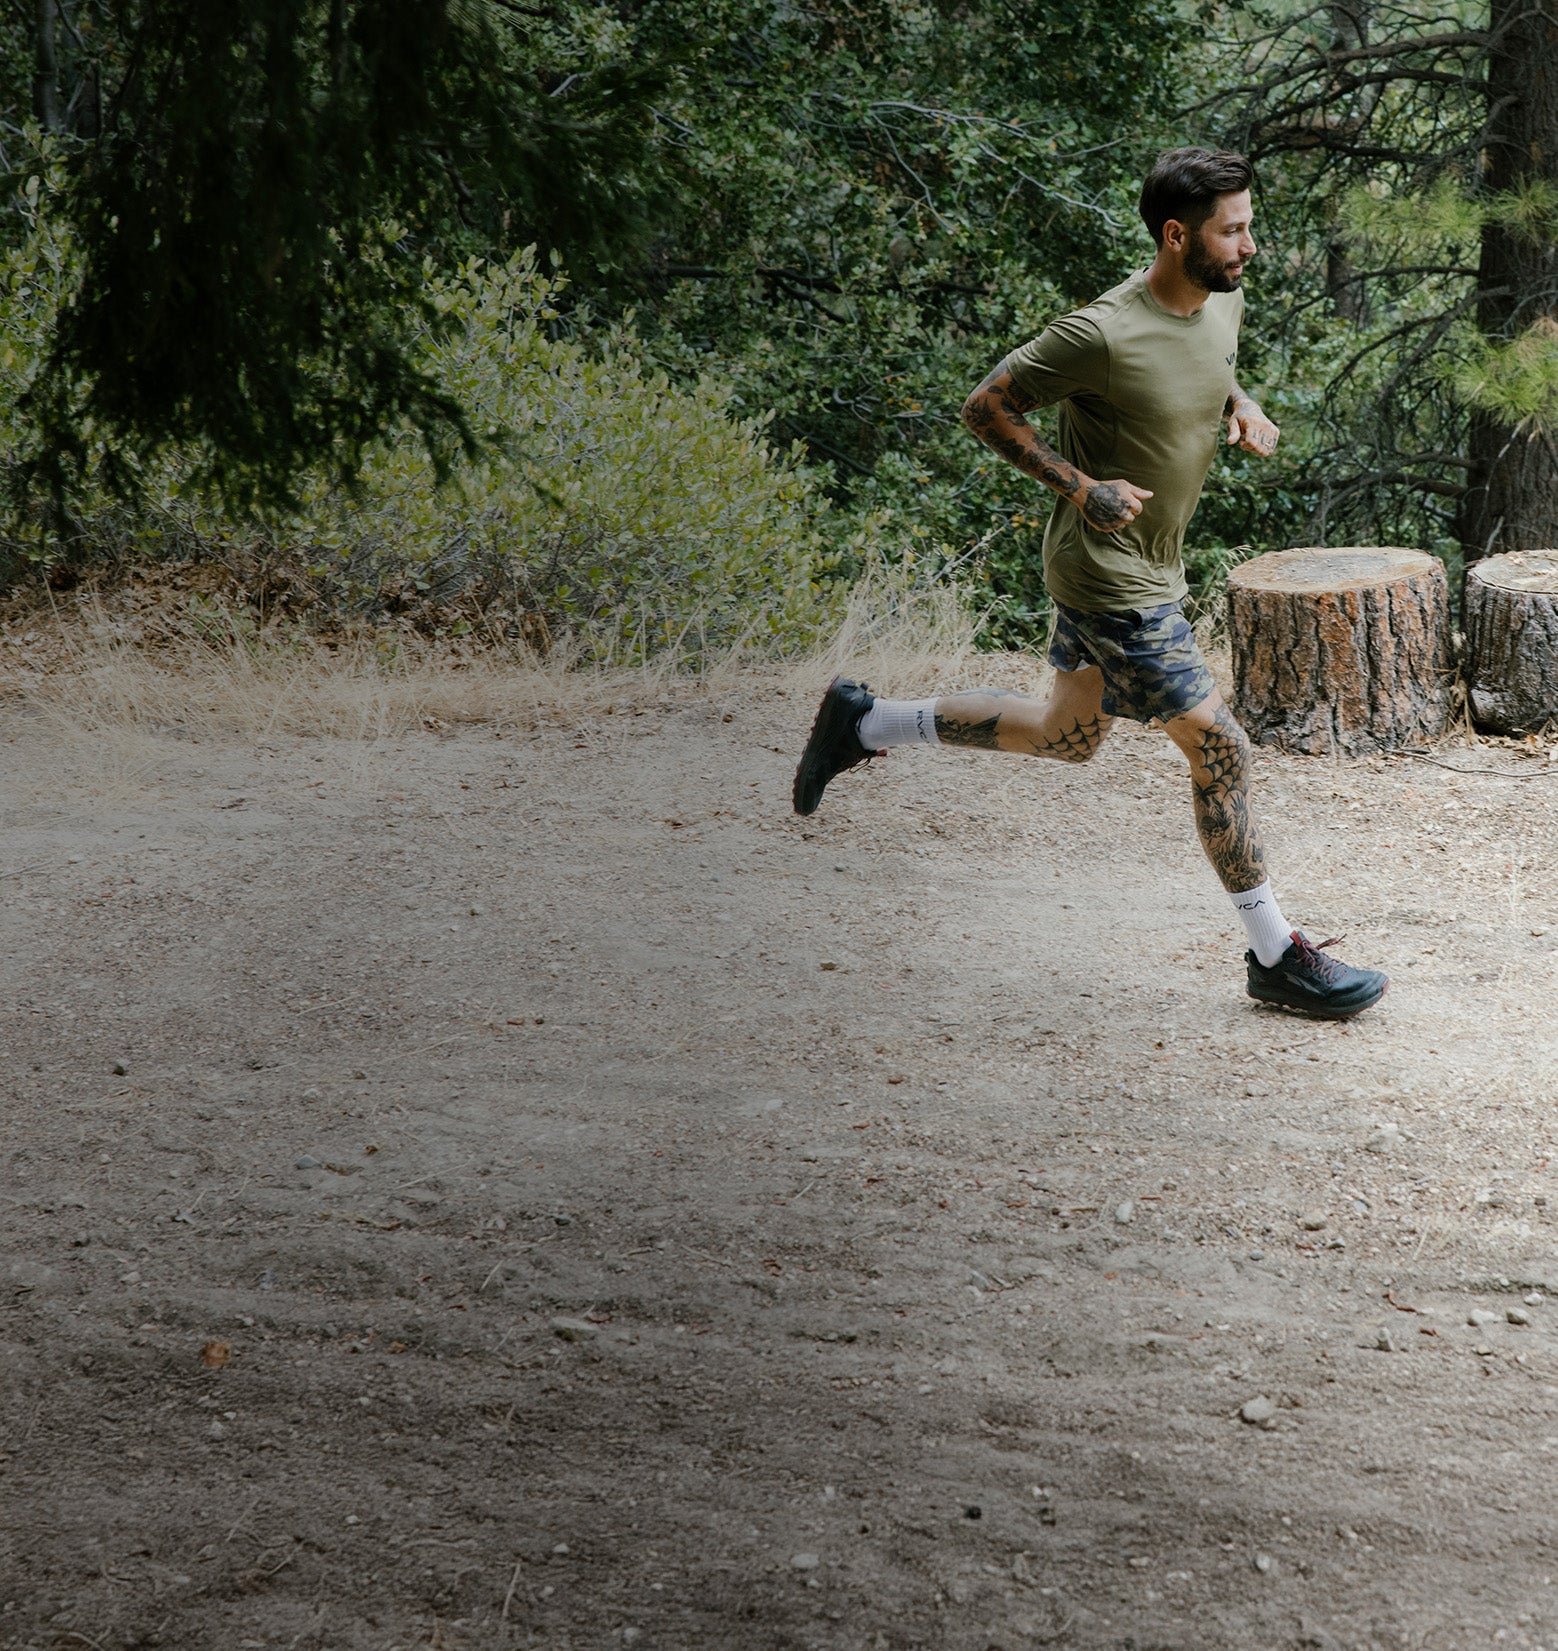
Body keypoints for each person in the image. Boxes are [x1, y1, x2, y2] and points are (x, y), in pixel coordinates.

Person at [792, 146, 1387, 1019]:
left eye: (1249, 225)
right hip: (1112, 575)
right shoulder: (1100, 331)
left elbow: (1209, 368)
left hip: (1149, 567)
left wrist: (1243, 406)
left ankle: (868, 720)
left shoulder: (1222, 298)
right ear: (1178, 235)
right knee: (1221, 748)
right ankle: (1275, 954)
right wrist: (1082, 486)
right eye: (1233, 230)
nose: (1249, 245)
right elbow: (984, 406)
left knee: (1068, 738)